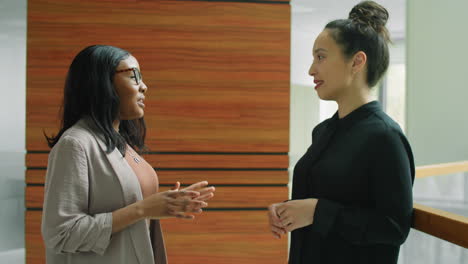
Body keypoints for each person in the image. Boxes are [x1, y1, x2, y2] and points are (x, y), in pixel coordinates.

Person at [267, 1, 414, 264]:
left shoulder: (385, 137)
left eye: (321, 57)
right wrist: (287, 212)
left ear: (357, 62)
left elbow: (393, 227)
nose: (311, 70)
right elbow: (322, 199)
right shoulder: (322, 131)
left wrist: (317, 212)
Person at [41, 45, 215, 264]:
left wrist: (167, 204)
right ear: (101, 82)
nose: (144, 86)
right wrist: (143, 209)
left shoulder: (119, 143)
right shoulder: (75, 144)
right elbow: (61, 234)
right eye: (134, 76)